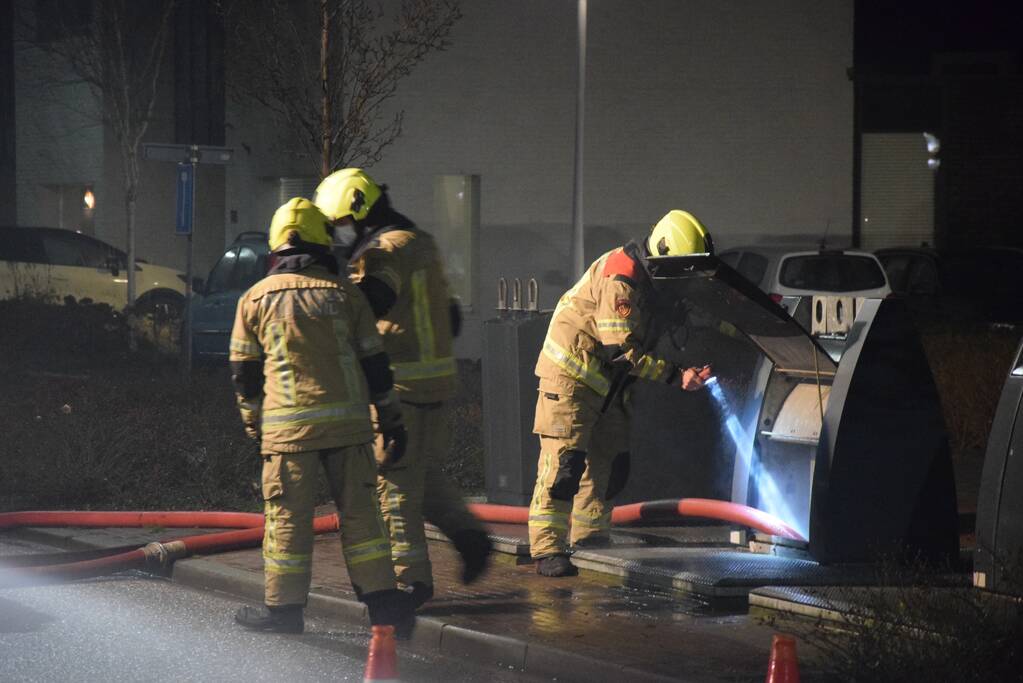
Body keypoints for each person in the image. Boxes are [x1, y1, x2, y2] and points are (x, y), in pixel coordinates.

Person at [230, 197, 416, 633]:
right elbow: (375, 365)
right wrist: (391, 419)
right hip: (349, 430)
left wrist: (255, 426)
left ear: (277, 246)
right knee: (362, 517)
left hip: (287, 434)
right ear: (321, 244)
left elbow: (244, 375)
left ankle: (284, 612)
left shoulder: (254, 299)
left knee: (287, 521)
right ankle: (383, 606)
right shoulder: (347, 296)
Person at [314, 168, 492, 609]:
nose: (339, 234)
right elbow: (451, 316)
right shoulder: (422, 242)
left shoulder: (385, 251)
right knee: (422, 475)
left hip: (399, 387)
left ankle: (409, 584)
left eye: (340, 224)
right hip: (436, 385)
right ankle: (470, 536)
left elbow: (372, 301)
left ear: (358, 213)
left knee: (392, 489)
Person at [527, 209, 715, 577]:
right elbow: (621, 351)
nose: (683, 282)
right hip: (571, 380)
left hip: (608, 386)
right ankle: (547, 549)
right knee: (564, 467)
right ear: (661, 255)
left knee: (609, 464)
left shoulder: (652, 282)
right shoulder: (621, 279)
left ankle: (590, 539)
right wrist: (676, 376)